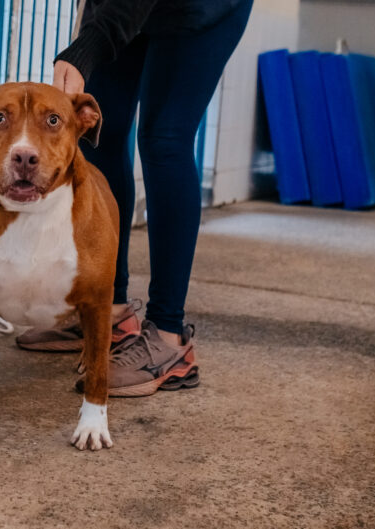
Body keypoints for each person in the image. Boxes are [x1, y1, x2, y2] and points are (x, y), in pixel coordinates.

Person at [16, 0, 254, 396]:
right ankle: (108, 311)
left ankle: (169, 336)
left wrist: (86, 47)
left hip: (202, 9)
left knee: (165, 141)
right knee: (101, 134)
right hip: (130, 9)